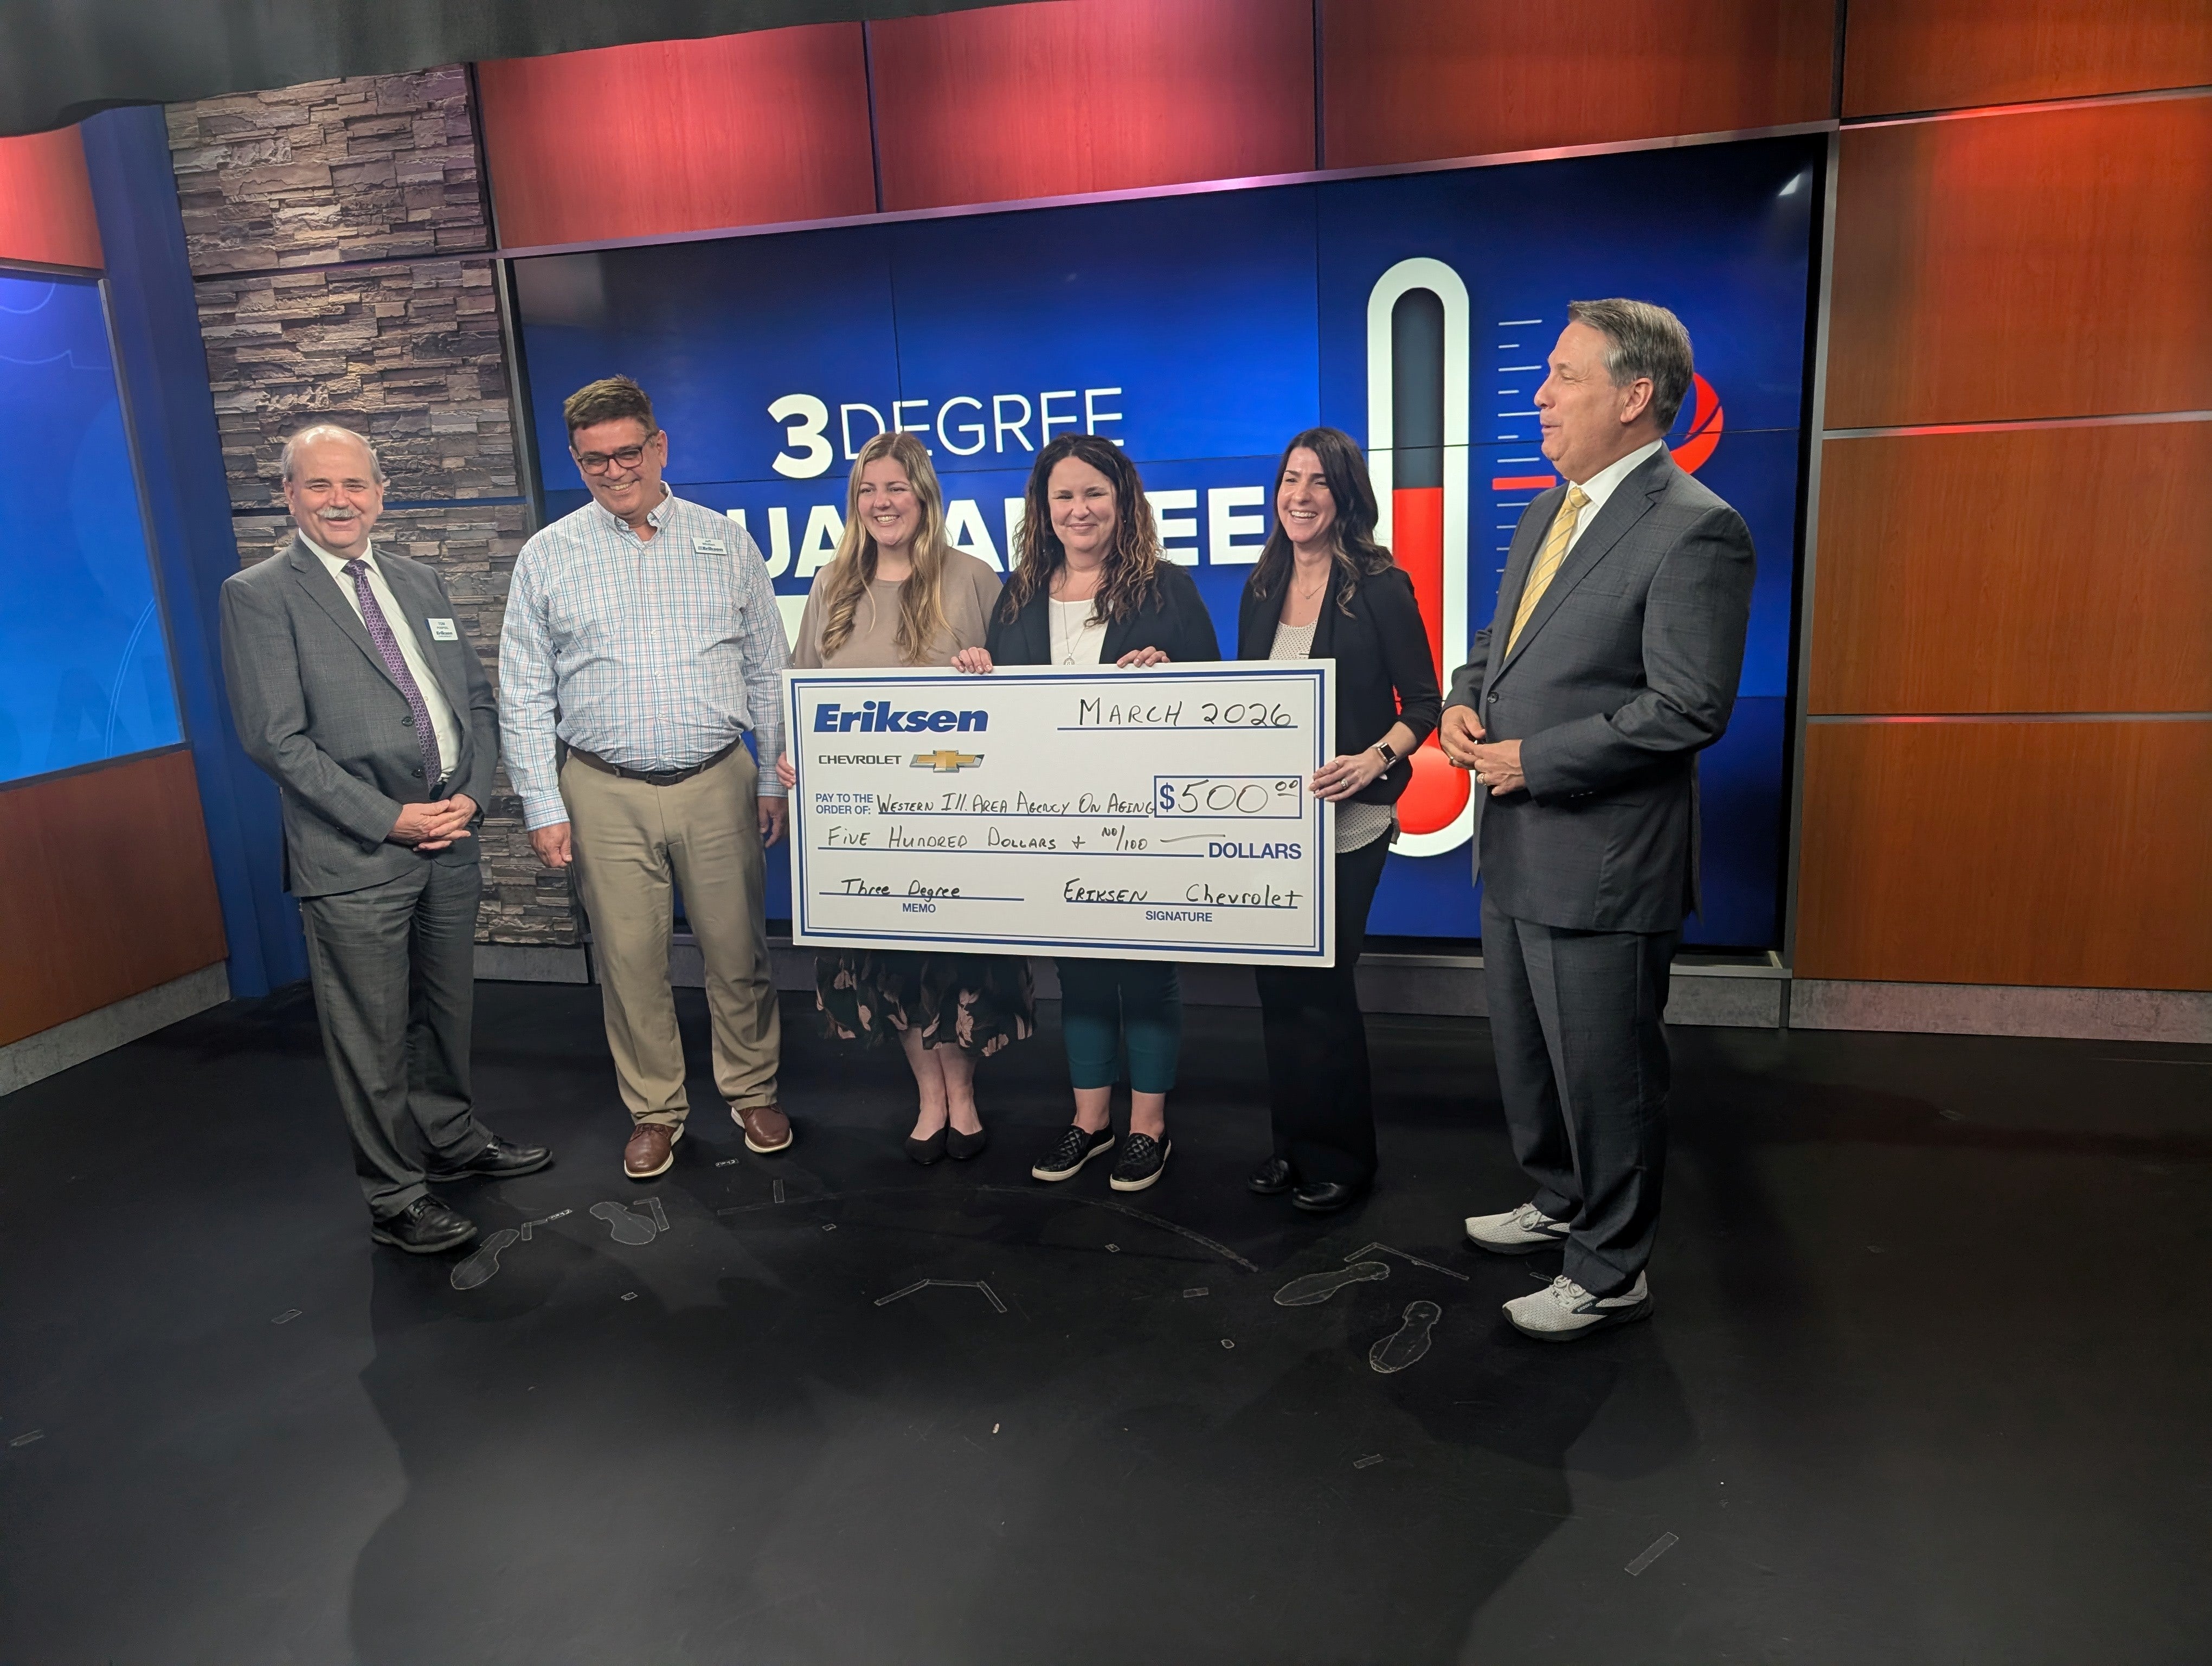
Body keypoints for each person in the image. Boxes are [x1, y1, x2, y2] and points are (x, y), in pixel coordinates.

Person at [1441, 299, 1754, 1341]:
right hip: (1520, 846)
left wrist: (1538, 758)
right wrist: (1464, 694)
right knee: (1532, 1059)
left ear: (1633, 397)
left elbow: (1688, 707)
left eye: (1565, 375)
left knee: (1607, 1076)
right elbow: (1503, 642)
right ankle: (1560, 1199)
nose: (1539, 394)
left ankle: (1612, 1268)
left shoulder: (1698, 527)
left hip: (1608, 860)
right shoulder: (1550, 508)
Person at [220, 423, 549, 1254]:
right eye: (320, 486)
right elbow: (274, 739)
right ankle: (395, 1194)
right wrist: (388, 818)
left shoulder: (419, 580)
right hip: (357, 851)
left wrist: (472, 796)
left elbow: (473, 702)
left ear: (380, 493)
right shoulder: (259, 594)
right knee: (368, 1033)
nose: (340, 501)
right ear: (289, 494)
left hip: (450, 837)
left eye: (355, 485)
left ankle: (452, 1137)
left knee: (445, 1010)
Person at [500, 376, 792, 1182]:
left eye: (629, 452)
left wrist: (771, 777)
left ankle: (751, 1089)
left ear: (660, 447)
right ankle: (656, 1110)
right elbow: (523, 689)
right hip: (602, 788)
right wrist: (542, 804)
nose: (615, 469)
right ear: (577, 461)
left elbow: (768, 667)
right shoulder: (548, 555)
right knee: (630, 961)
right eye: (596, 459)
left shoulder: (725, 543)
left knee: (738, 950)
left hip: (717, 780)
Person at [951, 433, 1220, 1193]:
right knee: (1083, 975)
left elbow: (1220, 704)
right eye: (1063, 496)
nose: (1079, 509)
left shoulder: (1169, 589)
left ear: (1123, 502)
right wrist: (978, 673)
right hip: (1055, 834)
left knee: (1146, 972)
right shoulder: (1019, 595)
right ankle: (1090, 1120)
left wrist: (1176, 675)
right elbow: (1004, 720)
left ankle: (1150, 1128)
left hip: (1147, 827)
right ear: (1044, 509)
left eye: (1094, 494)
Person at [774, 432, 1033, 1164]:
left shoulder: (976, 578)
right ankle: (929, 1099)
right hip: (866, 829)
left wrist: (989, 674)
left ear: (924, 496)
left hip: (962, 820)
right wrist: (796, 757)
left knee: (957, 969)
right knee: (896, 970)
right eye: (868, 490)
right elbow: (803, 690)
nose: (882, 503)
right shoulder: (832, 585)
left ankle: (965, 1097)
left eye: (896, 488)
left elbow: (1026, 697)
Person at [1237, 428, 1439, 1213]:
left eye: (1319, 482)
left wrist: (1374, 758)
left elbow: (1422, 704)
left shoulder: (1381, 585)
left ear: (1346, 496)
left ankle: (1345, 1159)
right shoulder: (1261, 585)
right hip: (1271, 832)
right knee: (1276, 992)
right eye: (1291, 478)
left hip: (1350, 825)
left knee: (1322, 989)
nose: (1301, 495)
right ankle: (1291, 1147)